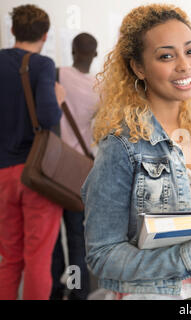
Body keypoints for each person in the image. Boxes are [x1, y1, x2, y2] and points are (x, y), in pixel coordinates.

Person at [81, 4, 191, 300]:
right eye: (166, 56)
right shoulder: (121, 145)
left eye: (190, 51)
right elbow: (103, 255)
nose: (184, 65)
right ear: (139, 67)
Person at [0, 4, 65, 300]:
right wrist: (58, 98)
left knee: (10, 258)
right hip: (36, 174)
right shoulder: (42, 65)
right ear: (45, 35)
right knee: (38, 258)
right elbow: (49, 117)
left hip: (3, 174)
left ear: (12, 30)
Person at [50, 32, 98, 300]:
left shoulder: (56, 75)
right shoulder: (99, 89)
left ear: (72, 50)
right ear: (95, 53)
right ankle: (79, 292)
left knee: (53, 239)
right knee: (78, 240)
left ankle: (55, 291)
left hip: (53, 167)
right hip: (80, 172)